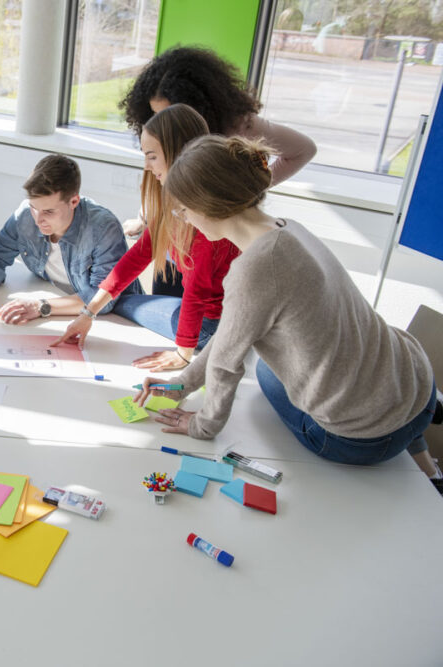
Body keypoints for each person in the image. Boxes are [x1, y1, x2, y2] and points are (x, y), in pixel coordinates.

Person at [134, 134, 441, 490]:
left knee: (266, 372)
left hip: (363, 440)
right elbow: (232, 334)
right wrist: (181, 385)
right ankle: (429, 467)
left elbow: (226, 363)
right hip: (419, 388)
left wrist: (202, 425)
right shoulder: (291, 228)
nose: (182, 218)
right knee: (282, 357)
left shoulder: (253, 269)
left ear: (207, 205)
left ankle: (407, 446)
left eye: (182, 209)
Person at [52, 105, 240, 373]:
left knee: (122, 302)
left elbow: (197, 292)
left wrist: (183, 356)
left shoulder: (207, 214)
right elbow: (139, 255)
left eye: (152, 157)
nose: (147, 167)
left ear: (178, 154)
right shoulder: (175, 203)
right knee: (116, 300)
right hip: (205, 319)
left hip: (213, 328)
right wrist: (88, 312)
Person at [119, 45, 316, 296]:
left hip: (216, 249)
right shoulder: (158, 136)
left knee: (203, 315)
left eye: (170, 113)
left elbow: (303, 150)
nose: (162, 123)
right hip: (176, 245)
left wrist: (245, 190)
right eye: (155, 114)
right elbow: (160, 178)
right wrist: (145, 217)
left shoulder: (240, 127)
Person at [0, 154, 137, 324]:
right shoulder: (25, 215)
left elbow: (103, 298)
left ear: (74, 201)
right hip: (57, 307)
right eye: (33, 207)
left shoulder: (103, 228)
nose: (38, 220)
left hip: (116, 319)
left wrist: (41, 306)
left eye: (48, 212)